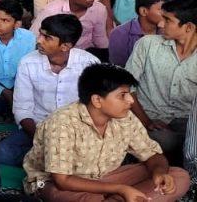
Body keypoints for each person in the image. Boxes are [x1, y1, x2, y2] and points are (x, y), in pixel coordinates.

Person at [22, 63, 190, 201]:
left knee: (178, 176)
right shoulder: (62, 123)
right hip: (59, 184)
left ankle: (120, 198)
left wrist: (160, 174)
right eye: (123, 95)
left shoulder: (125, 118)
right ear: (97, 100)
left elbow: (152, 155)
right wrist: (121, 188)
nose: (131, 100)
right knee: (89, 199)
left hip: (106, 178)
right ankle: (125, 196)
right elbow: (62, 180)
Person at [5, 14, 99, 167]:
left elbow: (95, 108)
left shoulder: (90, 64)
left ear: (65, 46)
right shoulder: (28, 63)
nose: (39, 40)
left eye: (47, 38)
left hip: (77, 130)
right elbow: (22, 109)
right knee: (3, 153)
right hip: (38, 128)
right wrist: (43, 138)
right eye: (40, 34)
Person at [127, 0, 197, 165]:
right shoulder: (148, 44)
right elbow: (126, 86)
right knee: (162, 141)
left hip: (188, 123)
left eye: (167, 20)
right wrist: (146, 121)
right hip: (147, 118)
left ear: (188, 27)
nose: (159, 24)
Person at [32, 0, 110, 54]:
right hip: (55, 54)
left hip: (84, 54)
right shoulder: (51, 11)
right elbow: (34, 38)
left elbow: (99, 38)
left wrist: (106, 55)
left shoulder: (99, 9)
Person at [109, 0, 172, 66]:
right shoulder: (120, 33)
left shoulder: (169, 30)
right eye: (162, 9)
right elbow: (119, 67)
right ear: (144, 11)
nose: (168, 14)